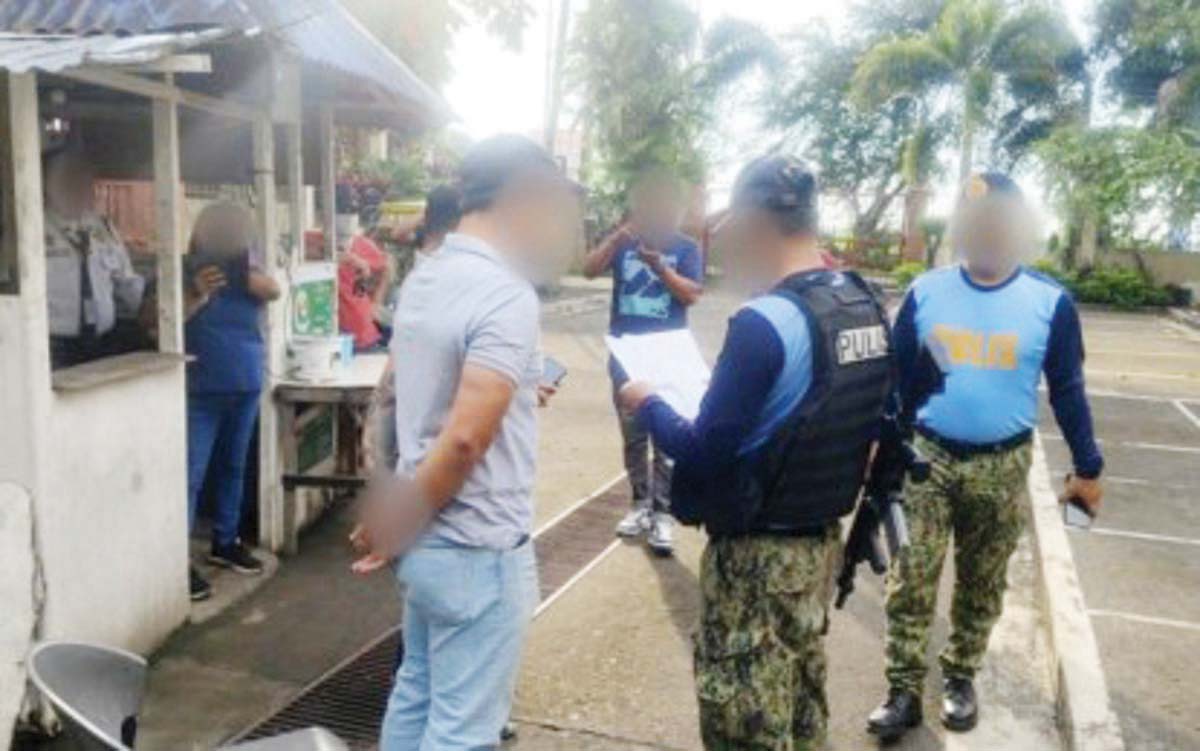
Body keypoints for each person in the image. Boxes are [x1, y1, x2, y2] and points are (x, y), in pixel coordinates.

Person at [619, 156, 893, 751]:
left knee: (744, 722)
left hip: (755, 560)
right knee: (800, 708)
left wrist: (648, 402)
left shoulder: (765, 323)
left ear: (750, 223)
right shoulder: (861, 303)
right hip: (819, 545)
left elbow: (701, 450)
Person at [350, 134, 580, 751]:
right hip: (476, 544)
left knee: (417, 693)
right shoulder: (506, 293)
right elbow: (462, 442)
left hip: (428, 546)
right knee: (464, 731)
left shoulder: (427, 276)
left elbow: (420, 391)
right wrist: (397, 520)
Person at [867, 173, 1104, 741]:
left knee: (982, 578)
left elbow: (1067, 388)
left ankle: (960, 677)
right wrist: (877, 450)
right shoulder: (926, 292)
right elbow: (893, 381)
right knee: (911, 577)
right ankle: (902, 690)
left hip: (1002, 462)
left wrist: (1088, 465)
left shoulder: (1050, 302)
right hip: (926, 454)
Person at [582, 170, 704, 556]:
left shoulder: (686, 248)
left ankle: (664, 513)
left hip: (668, 354)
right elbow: (588, 269)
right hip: (626, 354)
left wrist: (660, 268)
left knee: (666, 435)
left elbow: (691, 295)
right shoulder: (624, 243)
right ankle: (639, 504)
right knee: (633, 435)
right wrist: (618, 236)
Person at [183, 201, 281, 602]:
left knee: (233, 468)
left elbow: (272, 290)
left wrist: (244, 270)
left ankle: (226, 541)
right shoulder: (187, 269)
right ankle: (178, 558)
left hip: (244, 381)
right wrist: (196, 291)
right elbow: (164, 317)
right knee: (190, 476)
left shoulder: (249, 269)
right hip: (201, 386)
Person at [42, 147, 147, 369]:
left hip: (102, 342)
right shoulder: (28, 228)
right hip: (51, 346)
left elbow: (126, 282)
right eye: (68, 179)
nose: (80, 187)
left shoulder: (103, 228)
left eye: (84, 179)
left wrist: (150, 311)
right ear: (46, 184)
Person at [336, 214, 392, 352]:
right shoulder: (315, 241)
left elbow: (386, 268)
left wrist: (377, 301)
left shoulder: (361, 244)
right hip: (334, 330)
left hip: (361, 330)